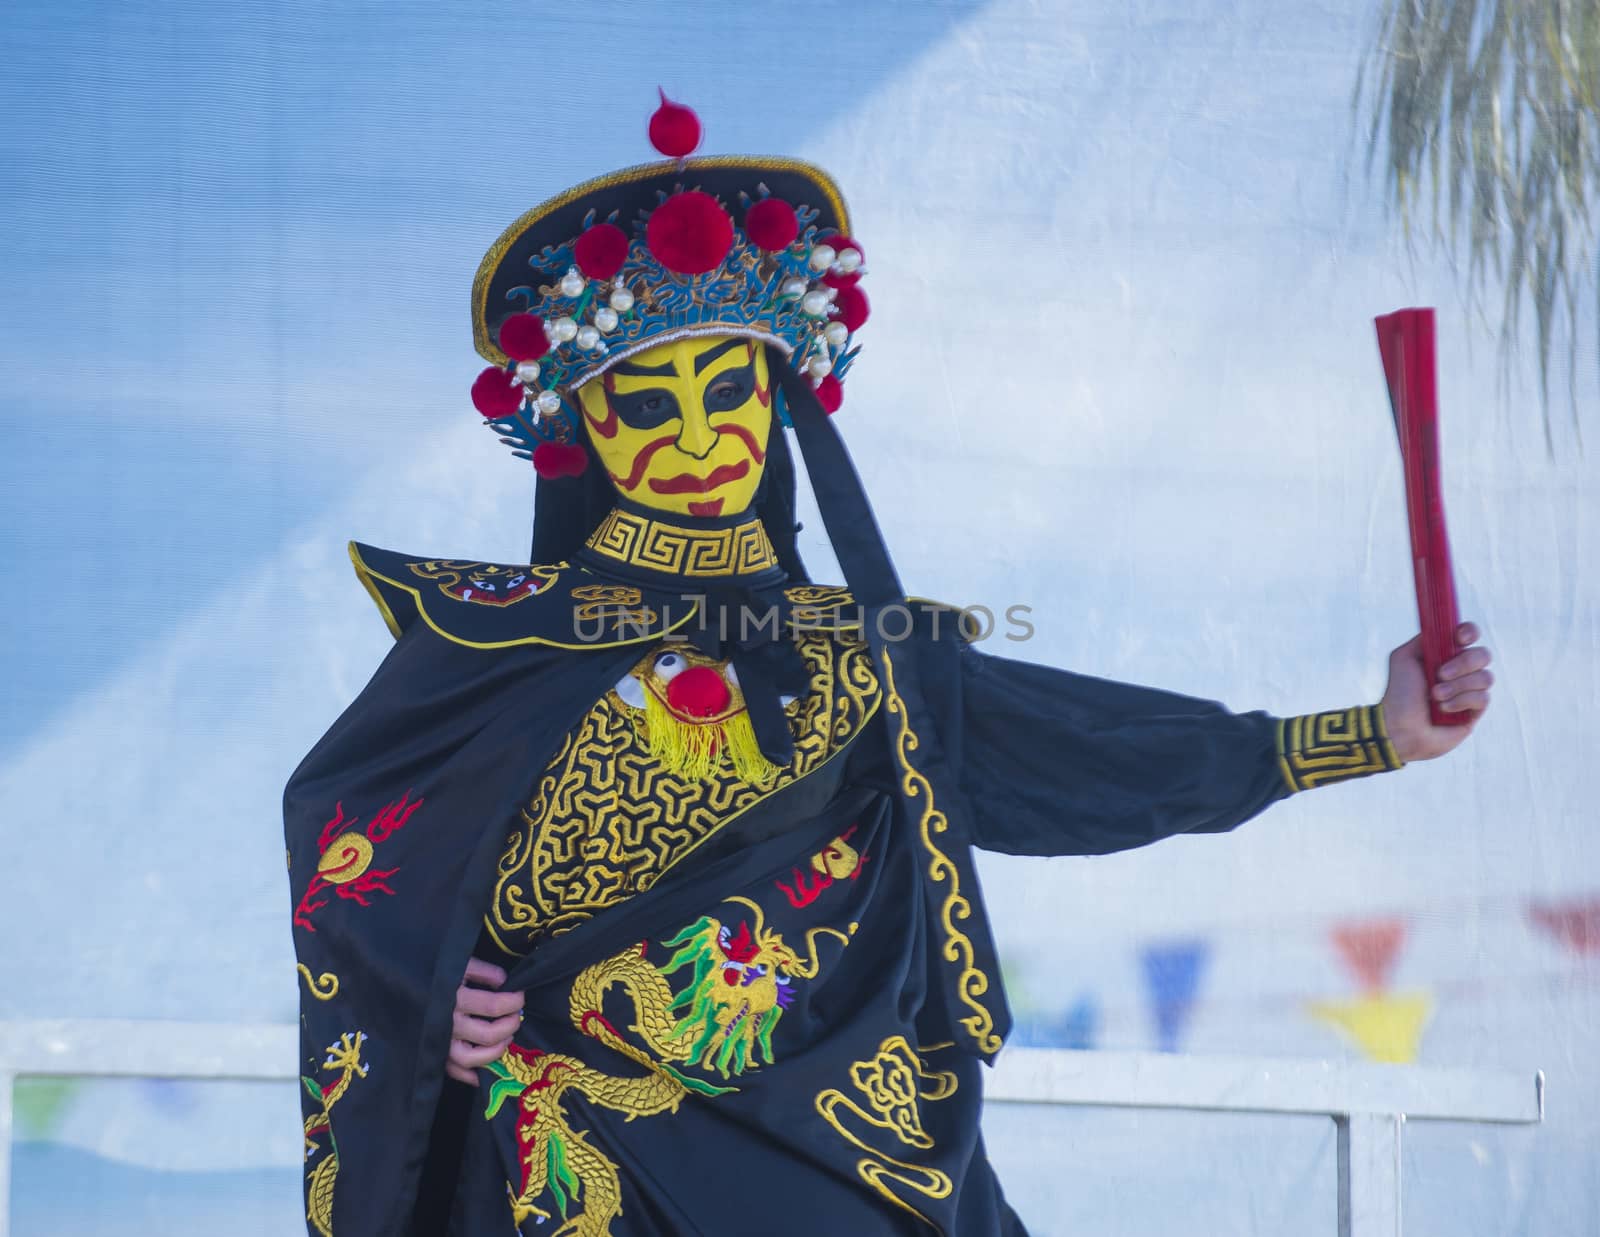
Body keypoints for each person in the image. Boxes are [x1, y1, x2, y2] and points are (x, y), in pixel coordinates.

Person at [285, 97, 1493, 1237]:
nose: (703, 440)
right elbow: (355, 856)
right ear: (581, 425)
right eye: (649, 404)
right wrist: (426, 995)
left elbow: (1097, 755)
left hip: (831, 1157)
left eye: (732, 390)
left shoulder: (869, 656)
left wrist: (1374, 732)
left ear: (779, 402)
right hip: (569, 1166)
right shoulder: (490, 637)